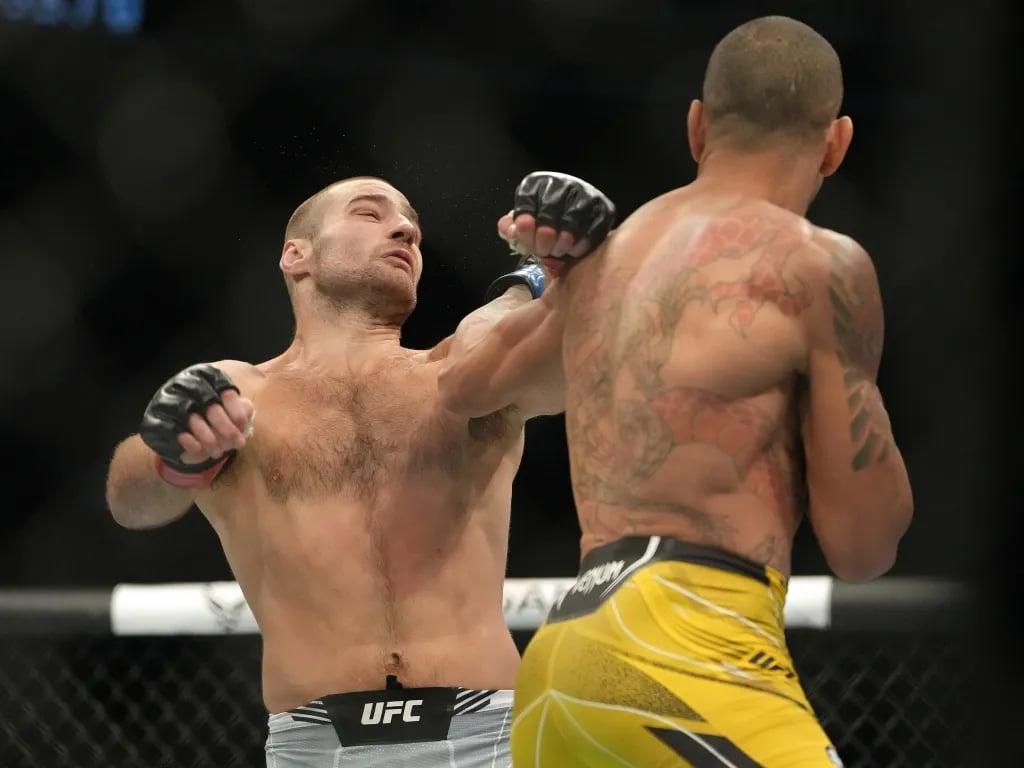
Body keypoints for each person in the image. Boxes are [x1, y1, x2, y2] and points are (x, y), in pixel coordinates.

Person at [437, 16, 913, 767]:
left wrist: (539, 276)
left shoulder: (604, 263)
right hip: (689, 646)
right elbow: (863, 545)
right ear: (836, 143)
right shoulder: (821, 265)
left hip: (561, 665)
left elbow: (463, 386)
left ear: (695, 127)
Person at [104, 173, 615, 767]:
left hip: (487, 737)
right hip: (315, 746)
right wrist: (171, 454)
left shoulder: (464, 375)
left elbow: (585, 360)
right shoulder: (239, 393)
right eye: (370, 213)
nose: (404, 230)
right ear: (296, 255)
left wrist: (574, 273)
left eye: (413, 228)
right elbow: (128, 503)